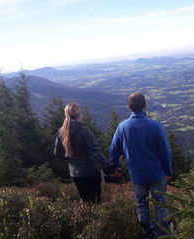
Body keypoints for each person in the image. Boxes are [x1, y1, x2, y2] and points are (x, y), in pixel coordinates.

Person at [109, 92, 172, 239]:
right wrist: (168, 170)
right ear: (145, 106)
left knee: (142, 205)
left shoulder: (122, 127)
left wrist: (115, 166)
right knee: (160, 204)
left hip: (137, 175)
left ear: (129, 107)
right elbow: (165, 151)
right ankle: (164, 235)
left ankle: (148, 235)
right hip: (157, 173)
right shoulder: (155, 125)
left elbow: (113, 149)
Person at [54, 103, 112, 204]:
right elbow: (96, 152)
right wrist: (108, 168)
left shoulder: (61, 132)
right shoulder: (84, 131)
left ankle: (88, 218)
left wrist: (71, 160)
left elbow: (58, 154)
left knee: (85, 201)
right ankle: (99, 219)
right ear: (79, 115)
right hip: (91, 171)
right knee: (97, 201)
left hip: (75, 173)